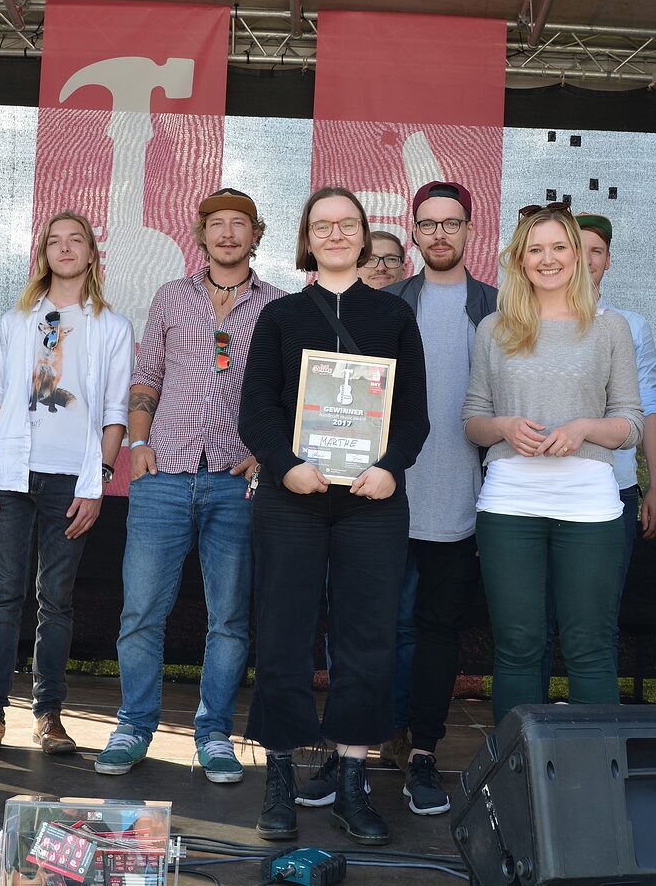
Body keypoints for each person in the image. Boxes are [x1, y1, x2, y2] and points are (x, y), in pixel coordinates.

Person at [238, 186, 429, 846]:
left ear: (366, 233)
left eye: (348, 223)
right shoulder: (281, 316)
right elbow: (255, 408)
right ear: (306, 237)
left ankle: (352, 783)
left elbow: (415, 414)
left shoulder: (395, 318)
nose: (337, 233)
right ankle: (282, 780)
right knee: (284, 633)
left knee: (367, 639)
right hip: (294, 495)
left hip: (371, 499)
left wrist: (391, 466)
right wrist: (285, 462)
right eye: (324, 224)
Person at [95, 189, 284, 782]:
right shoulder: (172, 297)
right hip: (165, 474)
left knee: (229, 617)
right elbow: (149, 372)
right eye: (216, 225)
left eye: (240, 225)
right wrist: (139, 443)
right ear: (200, 234)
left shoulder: (276, 305)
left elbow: (283, 390)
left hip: (235, 480)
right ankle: (133, 724)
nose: (228, 234)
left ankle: (215, 733)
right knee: (140, 612)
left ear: (256, 234)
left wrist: (262, 454)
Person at [0, 212, 131, 759]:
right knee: (3, 595)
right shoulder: (18, 321)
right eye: (54, 241)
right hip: (11, 475)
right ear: (43, 255)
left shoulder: (112, 326)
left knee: (55, 600)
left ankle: (48, 715)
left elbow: (116, 412)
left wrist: (97, 481)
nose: (64, 249)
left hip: (71, 479)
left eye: (75, 240)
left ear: (91, 254)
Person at [463, 204, 643, 722]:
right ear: (519, 259)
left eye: (558, 247)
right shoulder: (494, 328)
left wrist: (583, 428)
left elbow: (629, 422)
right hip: (509, 502)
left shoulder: (610, 329)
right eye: (535, 249)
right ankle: (517, 782)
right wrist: (503, 427)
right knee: (517, 646)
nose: (548, 259)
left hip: (589, 505)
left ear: (577, 253)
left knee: (588, 648)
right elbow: (472, 419)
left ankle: (595, 785)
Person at [366, 180, 496, 817]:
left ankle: (423, 752)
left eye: (452, 223)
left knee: (439, 631)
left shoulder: (500, 309)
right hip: (387, 495)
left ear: (471, 230)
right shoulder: (387, 305)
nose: (440, 234)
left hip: (462, 500)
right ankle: (372, 743)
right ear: (412, 232)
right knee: (384, 627)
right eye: (428, 224)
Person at [577, 214, 656, 628]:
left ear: (609, 260)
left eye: (596, 250)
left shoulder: (630, 325)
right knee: (535, 622)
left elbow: (649, 405)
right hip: (542, 484)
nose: (586, 259)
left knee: (599, 619)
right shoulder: (524, 320)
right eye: (576, 248)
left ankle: (595, 698)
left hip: (616, 486)